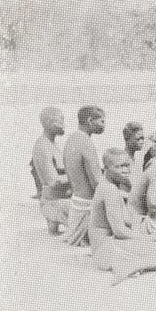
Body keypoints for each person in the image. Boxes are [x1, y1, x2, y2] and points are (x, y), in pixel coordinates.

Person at [89, 148, 156, 285]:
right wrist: (150, 238)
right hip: (105, 251)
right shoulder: (110, 190)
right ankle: (132, 265)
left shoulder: (109, 186)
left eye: (127, 165)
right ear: (106, 168)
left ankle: (131, 263)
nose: (126, 170)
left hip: (106, 247)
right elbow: (120, 232)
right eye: (120, 166)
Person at [62, 105, 106, 246]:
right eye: (102, 121)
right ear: (90, 120)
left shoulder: (71, 139)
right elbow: (96, 183)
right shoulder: (86, 143)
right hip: (87, 206)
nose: (104, 126)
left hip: (77, 201)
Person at [32, 106, 71, 235]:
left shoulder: (51, 144)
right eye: (59, 121)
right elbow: (53, 181)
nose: (63, 125)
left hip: (58, 199)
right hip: (53, 202)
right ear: (48, 123)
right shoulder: (43, 146)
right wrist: (77, 176)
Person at [123, 121, 145, 189]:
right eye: (138, 138)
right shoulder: (121, 160)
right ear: (127, 138)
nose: (142, 142)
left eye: (142, 138)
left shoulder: (137, 161)